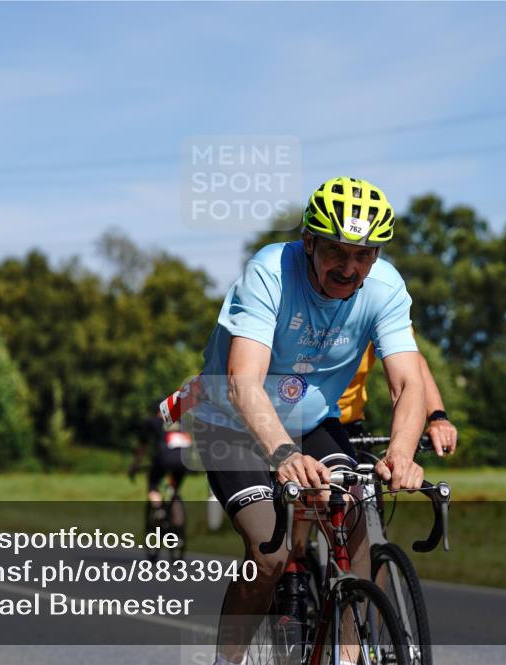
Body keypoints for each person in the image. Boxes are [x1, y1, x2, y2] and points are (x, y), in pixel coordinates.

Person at [189, 176, 428, 665]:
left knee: (356, 503)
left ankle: (349, 652)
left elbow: (408, 382)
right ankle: (226, 661)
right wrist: (282, 454)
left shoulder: (384, 288)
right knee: (270, 552)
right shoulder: (270, 272)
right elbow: (243, 381)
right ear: (309, 242)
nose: (350, 267)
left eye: (364, 255)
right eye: (337, 252)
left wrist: (401, 451)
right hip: (232, 420)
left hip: (312, 416)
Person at [338, 339, 458, 455]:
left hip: (350, 422)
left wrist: (438, 418)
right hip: (319, 421)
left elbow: (410, 360)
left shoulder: (384, 318)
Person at [130, 405, 193, 517]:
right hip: (185, 460)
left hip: (164, 458)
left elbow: (142, 446)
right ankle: (178, 521)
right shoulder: (182, 420)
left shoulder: (154, 421)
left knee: (153, 483)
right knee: (174, 490)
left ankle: (158, 510)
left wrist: (135, 465)